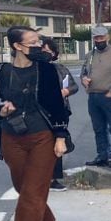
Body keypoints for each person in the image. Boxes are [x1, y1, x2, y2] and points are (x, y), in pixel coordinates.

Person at [0, 26, 69, 221]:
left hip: (42, 136)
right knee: (24, 187)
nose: (39, 46)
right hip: (11, 137)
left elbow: (56, 105)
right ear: (17, 46)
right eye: (32, 42)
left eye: (39, 41)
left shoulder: (47, 71)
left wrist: (60, 136)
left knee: (33, 188)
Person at [81, 26, 111, 168]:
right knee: (98, 128)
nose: (99, 40)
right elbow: (84, 72)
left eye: (101, 37)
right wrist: (84, 79)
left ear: (107, 37)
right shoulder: (90, 55)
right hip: (93, 96)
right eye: (96, 38)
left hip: (110, 96)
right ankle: (102, 155)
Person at [41, 37, 78, 192]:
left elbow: (74, 86)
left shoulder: (60, 69)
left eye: (48, 51)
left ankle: (53, 178)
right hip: (40, 112)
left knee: (58, 143)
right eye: (42, 51)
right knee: (41, 144)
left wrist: (65, 91)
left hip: (60, 110)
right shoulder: (32, 69)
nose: (44, 54)